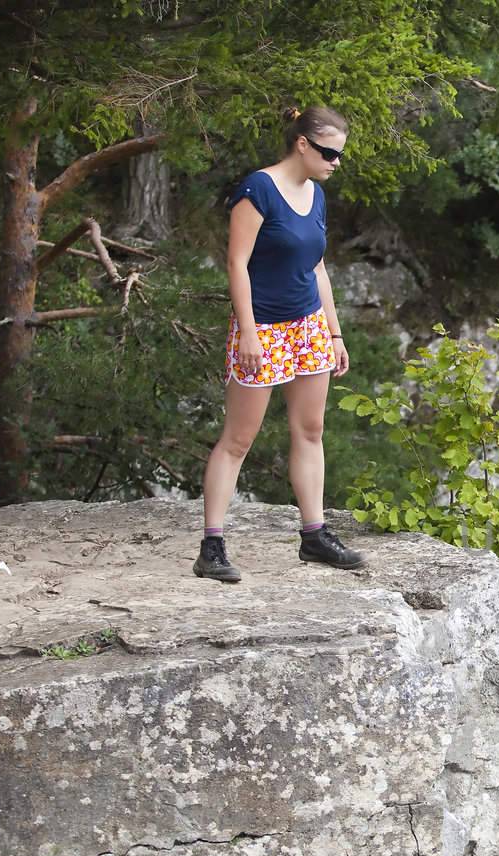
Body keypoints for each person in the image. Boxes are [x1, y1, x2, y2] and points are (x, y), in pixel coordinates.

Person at [194, 105, 366, 582]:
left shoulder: (316, 196)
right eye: (330, 153)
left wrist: (333, 332)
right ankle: (212, 547)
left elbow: (317, 267)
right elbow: (236, 264)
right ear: (303, 145)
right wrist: (247, 331)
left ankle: (314, 535)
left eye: (341, 155)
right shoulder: (258, 191)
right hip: (263, 327)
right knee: (238, 439)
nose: (336, 162)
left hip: (307, 326)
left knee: (310, 430)